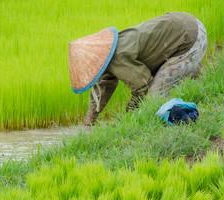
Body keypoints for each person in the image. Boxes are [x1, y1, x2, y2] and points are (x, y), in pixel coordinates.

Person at [68, 12, 208, 126]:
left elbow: (143, 85)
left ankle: (174, 126)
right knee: (159, 93)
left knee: (153, 99)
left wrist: (129, 115)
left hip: (190, 39)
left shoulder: (118, 56)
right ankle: (197, 86)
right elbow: (102, 88)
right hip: (188, 24)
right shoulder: (108, 54)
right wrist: (89, 122)